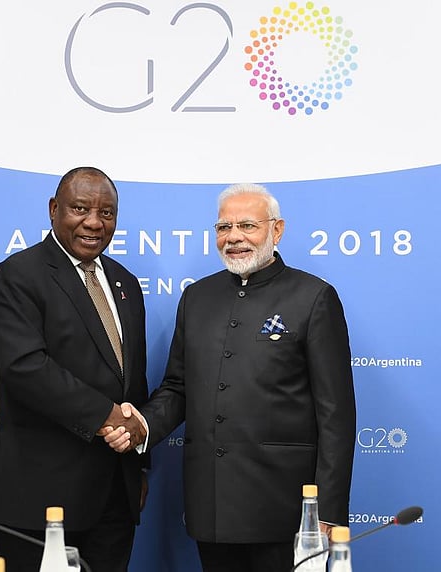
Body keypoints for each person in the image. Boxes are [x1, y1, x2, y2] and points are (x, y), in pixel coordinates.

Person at [105, 183, 356, 572]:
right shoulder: (197, 298)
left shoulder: (313, 298)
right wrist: (141, 425)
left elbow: (336, 415)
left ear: (277, 230)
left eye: (247, 225)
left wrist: (328, 510)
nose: (234, 237)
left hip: (285, 509)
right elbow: (177, 388)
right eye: (224, 227)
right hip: (213, 507)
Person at [0, 166, 149, 572]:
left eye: (107, 213)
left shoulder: (125, 283)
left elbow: (132, 381)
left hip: (114, 495)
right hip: (40, 496)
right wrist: (106, 416)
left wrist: (139, 461)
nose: (94, 222)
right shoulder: (18, 276)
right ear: (54, 209)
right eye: (80, 208)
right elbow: (25, 368)